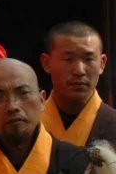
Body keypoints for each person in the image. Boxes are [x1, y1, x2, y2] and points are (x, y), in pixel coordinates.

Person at [40, 20, 116, 148]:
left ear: (102, 63)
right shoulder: (29, 126)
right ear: (47, 63)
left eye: (88, 59)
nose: (79, 71)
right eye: (68, 59)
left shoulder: (112, 124)